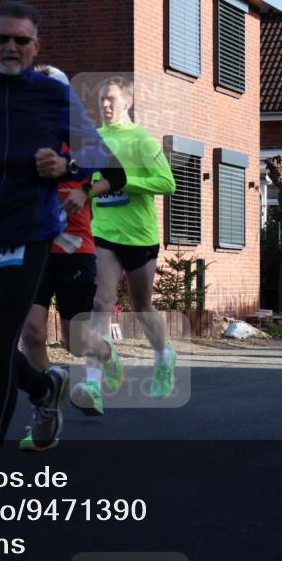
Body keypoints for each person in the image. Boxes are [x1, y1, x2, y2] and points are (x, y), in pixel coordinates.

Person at [0, 2, 122, 501]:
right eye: (2, 38)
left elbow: (107, 166)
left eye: (21, 40)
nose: (11, 47)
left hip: (30, 234)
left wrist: (66, 165)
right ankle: (42, 387)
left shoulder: (54, 96)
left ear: (36, 47)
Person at [18, 65, 125, 448]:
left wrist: (86, 192)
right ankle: (45, 410)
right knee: (31, 335)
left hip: (76, 248)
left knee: (75, 343)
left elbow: (119, 174)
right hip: (34, 248)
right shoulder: (23, 135)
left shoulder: (81, 136)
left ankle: (105, 351)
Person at [70, 76, 177, 416]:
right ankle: (92, 383)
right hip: (103, 233)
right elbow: (82, 184)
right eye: (101, 99)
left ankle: (163, 356)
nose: (104, 105)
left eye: (111, 99)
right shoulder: (94, 142)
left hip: (141, 236)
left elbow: (168, 182)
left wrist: (125, 181)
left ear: (127, 102)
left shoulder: (141, 140)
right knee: (101, 302)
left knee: (142, 306)